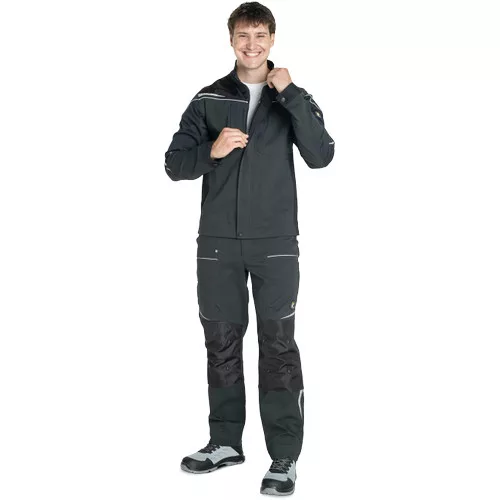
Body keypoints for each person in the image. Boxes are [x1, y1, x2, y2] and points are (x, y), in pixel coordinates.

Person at [164, 2, 334, 495]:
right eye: (243, 35)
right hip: (218, 245)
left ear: (273, 39)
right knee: (221, 342)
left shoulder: (292, 98)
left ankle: (284, 457)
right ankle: (225, 443)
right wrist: (211, 151)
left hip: (275, 245)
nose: (252, 45)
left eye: (260, 35)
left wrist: (291, 93)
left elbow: (321, 155)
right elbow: (174, 164)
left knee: (278, 346)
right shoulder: (208, 98)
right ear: (231, 40)